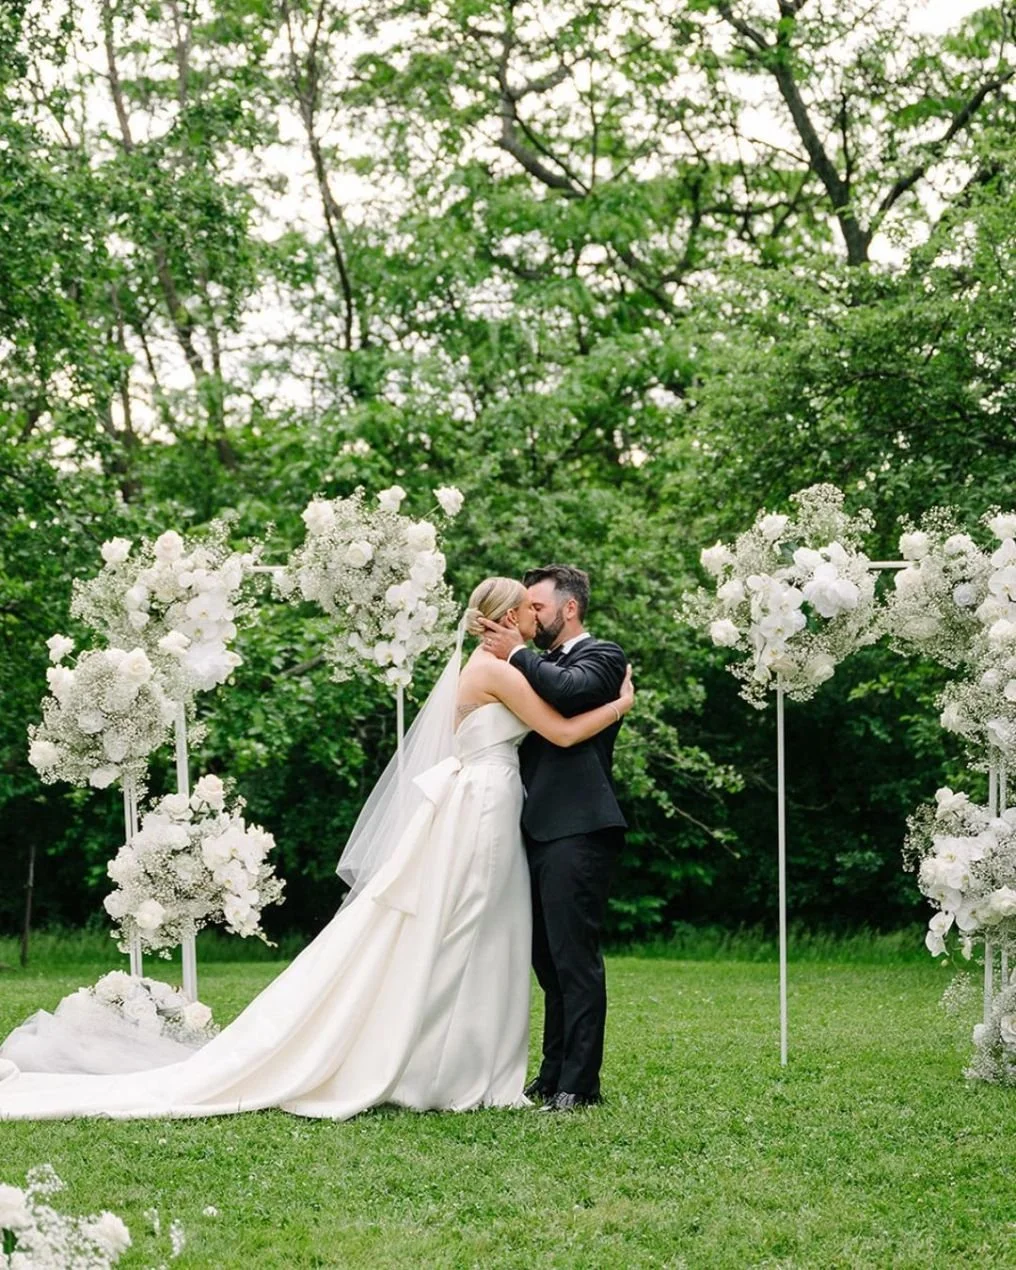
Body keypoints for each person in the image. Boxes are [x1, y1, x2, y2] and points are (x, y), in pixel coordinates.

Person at [0, 577, 633, 1122]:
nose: (536, 615)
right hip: (486, 805)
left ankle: (468, 1060)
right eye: (527, 607)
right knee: (472, 928)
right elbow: (560, 728)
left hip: (485, 802)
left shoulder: (487, 664)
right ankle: (450, 1064)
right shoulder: (498, 665)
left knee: (477, 931)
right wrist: (623, 703)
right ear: (509, 617)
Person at [479, 565, 628, 1112]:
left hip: (581, 826)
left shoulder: (605, 656)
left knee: (575, 960)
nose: (528, 616)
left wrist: (516, 652)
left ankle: (579, 1087)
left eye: (536, 607)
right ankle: (551, 1074)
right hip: (535, 826)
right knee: (547, 961)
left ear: (569, 609)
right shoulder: (532, 666)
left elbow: (567, 696)